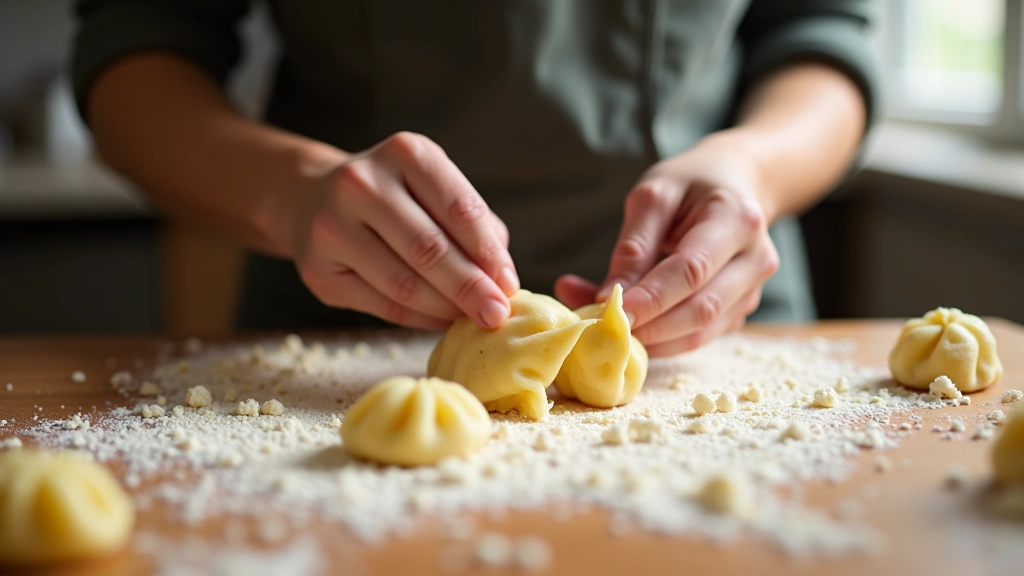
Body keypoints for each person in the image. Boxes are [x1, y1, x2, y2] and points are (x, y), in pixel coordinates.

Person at [73, 0, 875, 357]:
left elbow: (822, 34)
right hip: (340, 334)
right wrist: (295, 193)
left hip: (717, 338)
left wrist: (755, 168)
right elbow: (135, 52)